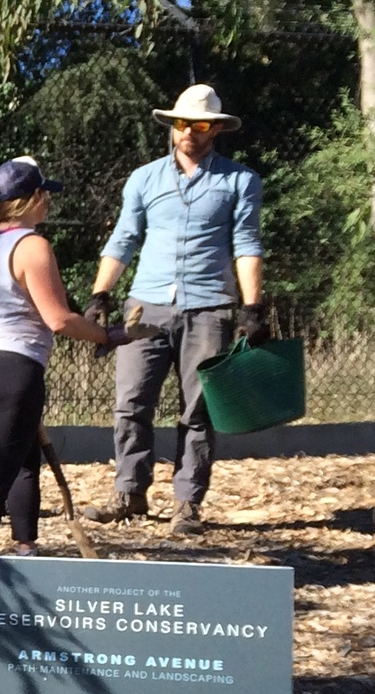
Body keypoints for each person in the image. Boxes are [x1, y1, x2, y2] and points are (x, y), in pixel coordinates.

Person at [80, 83, 267, 537]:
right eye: (182, 123)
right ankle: (129, 492)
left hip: (208, 306)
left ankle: (187, 503)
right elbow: (124, 238)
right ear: (172, 125)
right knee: (130, 403)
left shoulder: (239, 181)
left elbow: (246, 244)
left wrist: (253, 307)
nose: (189, 133)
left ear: (216, 130)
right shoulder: (145, 179)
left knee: (198, 409)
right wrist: (100, 295)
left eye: (200, 125)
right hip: (145, 306)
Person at [0, 157, 129, 556]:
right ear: (35, 197)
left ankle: (26, 546)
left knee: (22, 458)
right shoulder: (33, 246)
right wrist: (107, 335)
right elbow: (58, 319)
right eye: (45, 196)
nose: (48, 204)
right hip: (15, 371)